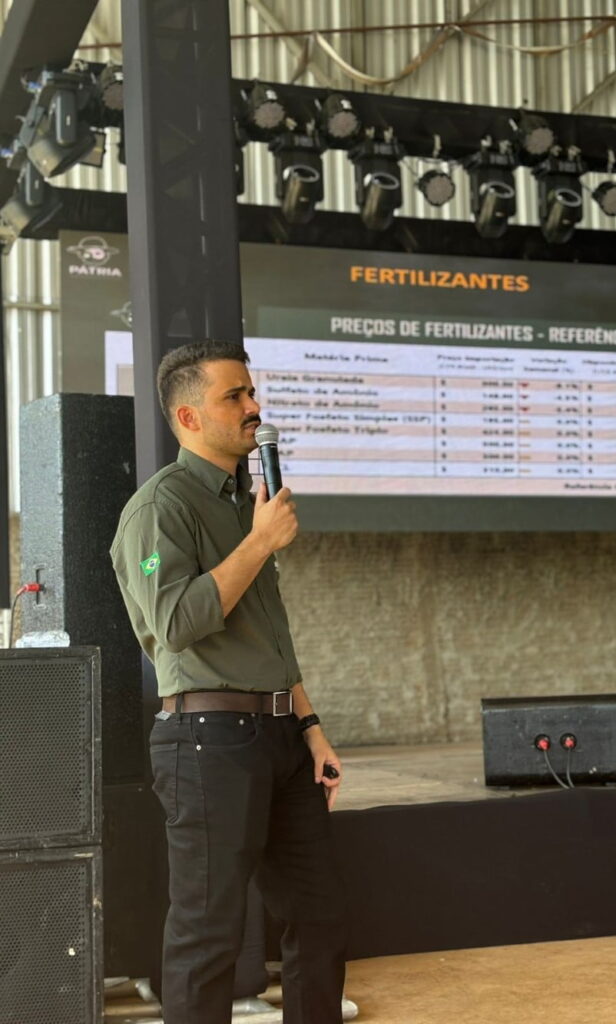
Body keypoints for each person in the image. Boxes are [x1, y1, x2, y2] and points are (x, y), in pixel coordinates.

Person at [110, 340, 346, 1024]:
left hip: (279, 737)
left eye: (252, 393)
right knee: (208, 934)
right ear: (188, 419)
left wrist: (311, 727)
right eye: (234, 397)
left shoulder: (247, 504)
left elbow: (269, 637)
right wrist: (260, 543)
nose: (254, 407)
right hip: (207, 740)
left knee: (321, 916)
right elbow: (177, 621)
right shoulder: (160, 506)